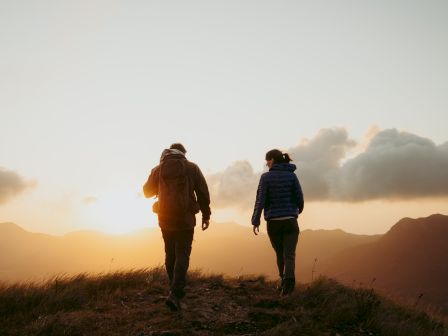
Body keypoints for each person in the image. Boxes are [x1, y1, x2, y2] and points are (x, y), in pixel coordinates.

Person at [143, 143, 211, 311]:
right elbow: (203, 192)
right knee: (183, 253)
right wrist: (206, 215)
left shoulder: (158, 169)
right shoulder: (192, 168)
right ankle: (175, 292)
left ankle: (173, 289)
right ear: (183, 153)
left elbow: (146, 192)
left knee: (170, 253)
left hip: (165, 218)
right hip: (185, 219)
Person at [251, 149, 304, 295]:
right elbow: (300, 197)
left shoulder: (265, 178)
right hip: (291, 222)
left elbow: (260, 200)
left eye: (267, 160)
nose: (266, 163)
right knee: (290, 255)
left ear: (272, 160)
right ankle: (288, 286)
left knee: (280, 254)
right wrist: (296, 211)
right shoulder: (292, 176)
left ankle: (283, 282)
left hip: (273, 223)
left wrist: (255, 220)